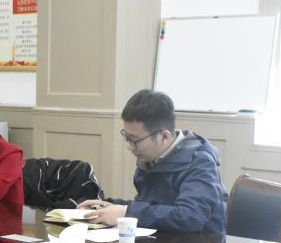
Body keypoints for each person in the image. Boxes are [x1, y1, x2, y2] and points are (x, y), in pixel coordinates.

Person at [77, 88, 227, 233]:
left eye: (134, 140)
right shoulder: (150, 158)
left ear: (164, 136)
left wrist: (126, 212)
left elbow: (190, 217)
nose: (129, 146)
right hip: (163, 241)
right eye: (126, 137)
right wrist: (109, 206)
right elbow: (150, 208)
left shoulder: (200, 162)